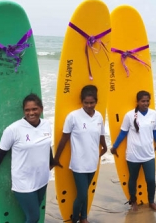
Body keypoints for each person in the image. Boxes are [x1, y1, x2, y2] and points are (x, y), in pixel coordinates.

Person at [0, 94, 52, 223]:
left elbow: (47, 145)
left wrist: (52, 162)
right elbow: (0, 153)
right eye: (27, 110)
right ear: (23, 111)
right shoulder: (13, 129)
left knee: (33, 213)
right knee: (34, 217)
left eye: (35, 109)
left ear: (41, 109)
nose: (31, 113)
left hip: (42, 179)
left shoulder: (46, 125)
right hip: (24, 183)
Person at [53, 85, 107, 223]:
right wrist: (56, 159)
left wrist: (105, 146)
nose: (89, 105)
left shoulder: (99, 116)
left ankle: (84, 218)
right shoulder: (73, 117)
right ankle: (75, 219)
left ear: (96, 101)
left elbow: (101, 135)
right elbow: (64, 138)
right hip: (79, 163)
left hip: (93, 161)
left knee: (85, 192)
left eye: (92, 102)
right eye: (86, 102)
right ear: (81, 101)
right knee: (82, 194)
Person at [110, 90, 156, 212]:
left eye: (147, 101)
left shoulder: (153, 114)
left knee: (151, 179)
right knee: (133, 178)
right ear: (137, 102)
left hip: (148, 154)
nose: (145, 103)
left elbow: (155, 130)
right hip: (133, 154)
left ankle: (151, 202)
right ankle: (133, 201)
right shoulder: (129, 115)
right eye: (143, 101)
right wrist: (115, 146)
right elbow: (123, 132)